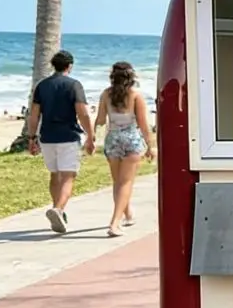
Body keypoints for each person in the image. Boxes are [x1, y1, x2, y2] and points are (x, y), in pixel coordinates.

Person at [26, 50, 95, 234]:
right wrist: (91, 135)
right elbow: (83, 113)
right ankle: (58, 209)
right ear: (69, 66)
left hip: (47, 137)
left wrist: (32, 138)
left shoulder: (42, 86)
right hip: (69, 136)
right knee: (68, 175)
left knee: (54, 174)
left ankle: (58, 210)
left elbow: (34, 115)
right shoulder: (74, 85)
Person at [95, 62, 155, 236]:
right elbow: (144, 125)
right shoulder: (135, 96)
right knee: (126, 182)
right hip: (131, 140)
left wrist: (91, 136)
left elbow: (100, 119)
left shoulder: (106, 95)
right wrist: (150, 146)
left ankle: (128, 214)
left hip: (112, 139)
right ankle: (115, 222)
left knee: (118, 182)